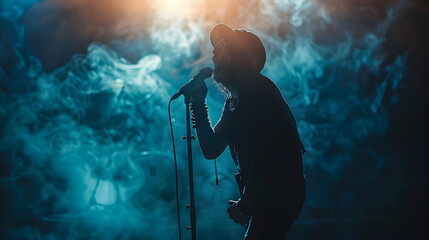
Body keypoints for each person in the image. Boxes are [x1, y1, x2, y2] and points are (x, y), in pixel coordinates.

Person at [189, 23, 306, 240]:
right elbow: (212, 148)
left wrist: (247, 202)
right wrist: (198, 102)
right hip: (267, 194)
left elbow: (266, 158)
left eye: (223, 45)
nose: (214, 51)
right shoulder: (235, 98)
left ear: (241, 57)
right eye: (216, 46)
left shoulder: (258, 92)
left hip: (278, 194)